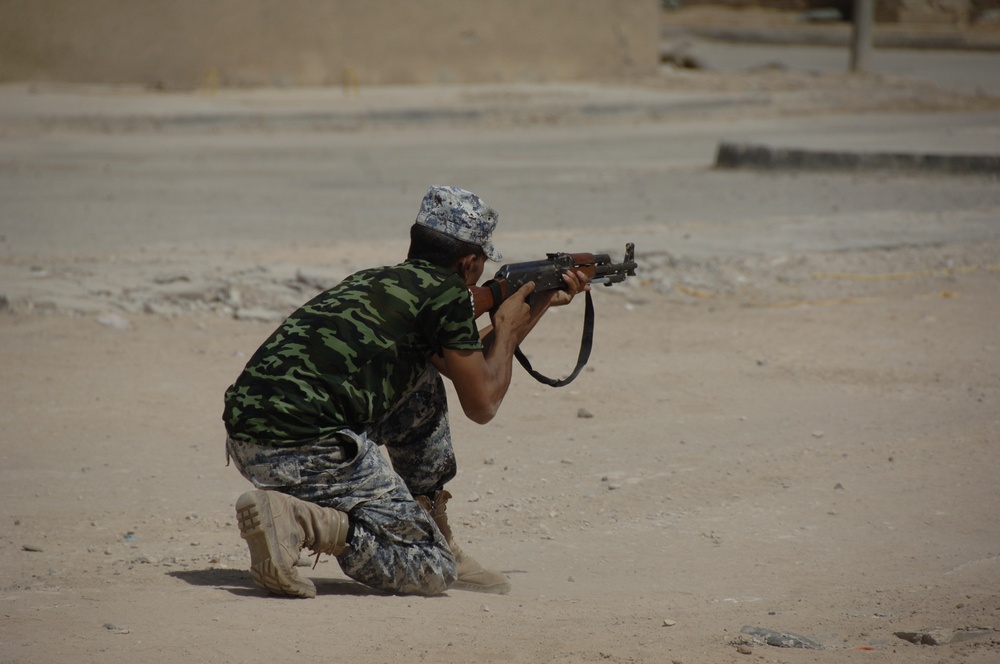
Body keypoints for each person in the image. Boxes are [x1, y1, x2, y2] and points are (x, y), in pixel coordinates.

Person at [223, 185, 590, 597]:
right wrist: (506, 326)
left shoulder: (378, 281)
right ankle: (301, 521)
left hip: (248, 438)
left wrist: (535, 305)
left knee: (422, 389)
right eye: (482, 264)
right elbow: (483, 403)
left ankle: (430, 523)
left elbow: (465, 369)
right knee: (431, 570)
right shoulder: (448, 297)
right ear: (469, 261)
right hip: (302, 451)